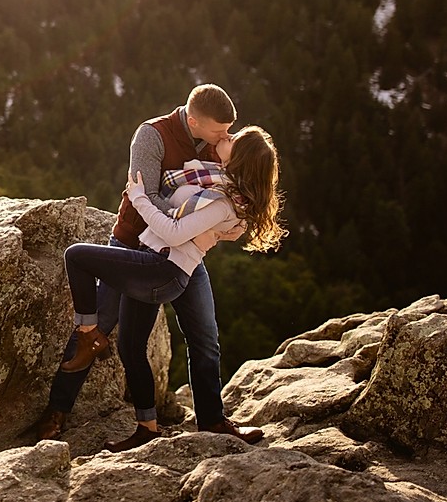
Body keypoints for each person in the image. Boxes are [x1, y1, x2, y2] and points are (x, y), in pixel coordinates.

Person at [31, 85, 273, 448]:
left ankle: (212, 421)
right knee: (99, 326)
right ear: (194, 121)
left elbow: (228, 191)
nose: (225, 138)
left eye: (228, 133)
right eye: (220, 132)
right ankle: (58, 410)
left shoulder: (214, 143)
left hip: (180, 252)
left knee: (205, 336)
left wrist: (226, 225)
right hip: (134, 240)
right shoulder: (152, 135)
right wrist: (199, 223)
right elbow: (151, 195)